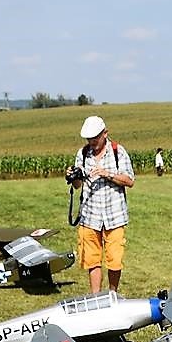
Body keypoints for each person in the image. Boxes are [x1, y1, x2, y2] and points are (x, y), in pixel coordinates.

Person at [67, 115, 135, 293]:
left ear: (105, 133)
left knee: (115, 260)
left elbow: (129, 181)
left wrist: (107, 174)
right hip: (90, 216)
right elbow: (78, 185)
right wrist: (73, 177)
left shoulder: (118, 152)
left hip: (114, 216)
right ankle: (95, 298)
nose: (92, 142)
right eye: (89, 138)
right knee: (92, 260)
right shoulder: (82, 154)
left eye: (95, 137)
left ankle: (112, 294)